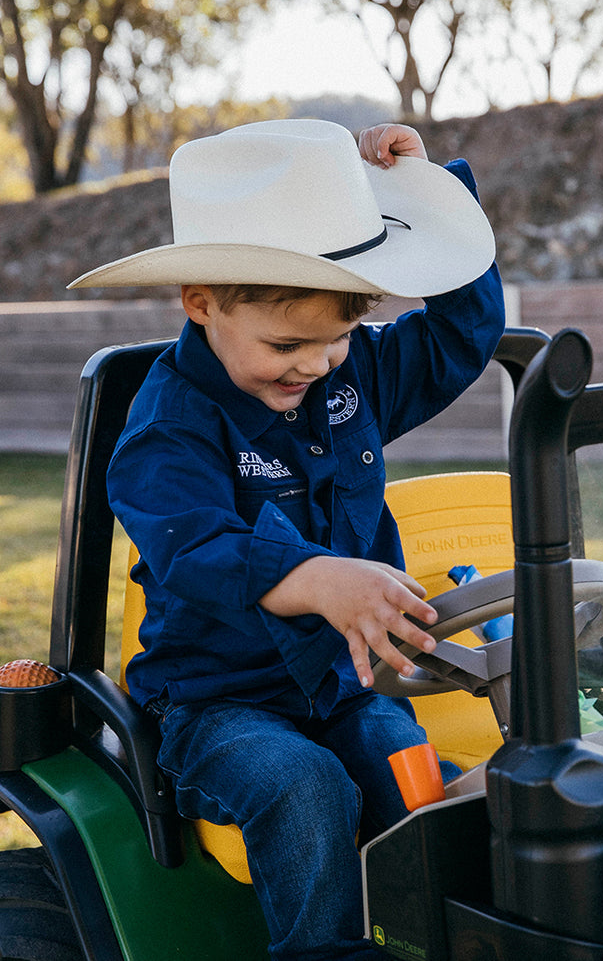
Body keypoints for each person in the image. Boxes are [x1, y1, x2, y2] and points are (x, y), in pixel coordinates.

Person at [69, 118, 505, 961]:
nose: (316, 364)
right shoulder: (167, 430)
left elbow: (460, 338)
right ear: (200, 304)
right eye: (286, 344)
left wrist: (426, 190)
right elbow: (195, 551)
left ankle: (445, 936)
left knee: (405, 772)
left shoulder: (352, 377)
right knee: (302, 784)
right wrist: (316, 578)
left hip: (344, 690)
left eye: (339, 336)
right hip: (214, 702)